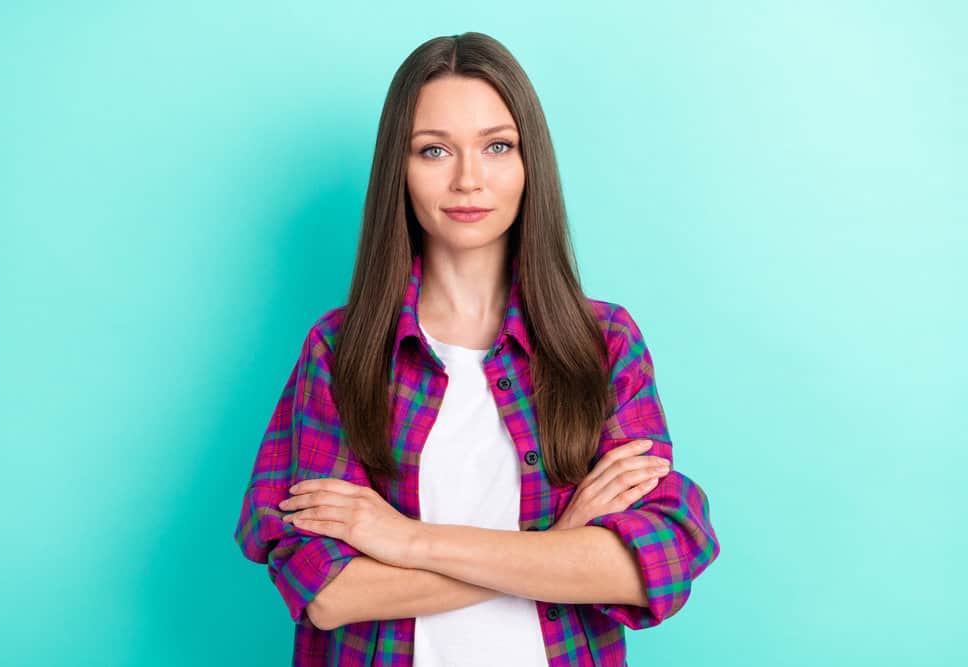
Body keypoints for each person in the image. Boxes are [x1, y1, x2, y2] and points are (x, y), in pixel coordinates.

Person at [233, 31, 720, 667]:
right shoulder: (341, 351)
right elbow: (326, 592)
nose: (468, 179)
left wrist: (404, 541)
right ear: (398, 171)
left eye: (497, 146)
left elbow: (652, 562)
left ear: (528, 164)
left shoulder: (602, 344)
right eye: (434, 150)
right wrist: (560, 546)